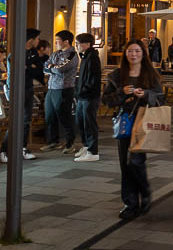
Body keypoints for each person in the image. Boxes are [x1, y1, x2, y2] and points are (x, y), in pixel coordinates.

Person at [102, 39, 164, 219]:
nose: (134, 55)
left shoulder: (150, 75)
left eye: (137, 51)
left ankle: (144, 193)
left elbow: (160, 98)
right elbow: (106, 100)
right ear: (125, 54)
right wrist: (123, 92)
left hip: (145, 121)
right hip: (124, 121)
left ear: (143, 54)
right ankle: (130, 203)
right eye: (130, 51)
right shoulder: (116, 75)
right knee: (125, 163)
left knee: (135, 161)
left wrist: (145, 94)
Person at [0, 28, 42, 163]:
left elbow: (38, 70)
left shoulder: (32, 53)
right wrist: (31, 68)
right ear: (30, 40)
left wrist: (30, 68)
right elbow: (20, 71)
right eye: (37, 39)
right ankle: (4, 150)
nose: (38, 41)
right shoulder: (15, 54)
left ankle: (22, 148)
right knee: (15, 120)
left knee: (26, 120)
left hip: (28, 88)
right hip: (16, 90)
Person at [41, 30, 79, 154]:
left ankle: (70, 143)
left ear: (66, 41)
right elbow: (45, 66)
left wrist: (52, 67)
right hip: (51, 88)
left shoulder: (72, 55)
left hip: (64, 89)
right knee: (50, 116)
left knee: (64, 117)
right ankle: (53, 142)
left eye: (58, 40)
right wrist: (52, 67)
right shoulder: (55, 54)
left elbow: (61, 69)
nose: (56, 42)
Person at [73, 33, 102, 162]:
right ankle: (86, 146)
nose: (76, 46)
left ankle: (92, 151)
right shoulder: (86, 56)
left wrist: (83, 91)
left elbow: (93, 80)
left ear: (87, 44)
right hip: (83, 96)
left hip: (89, 96)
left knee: (89, 123)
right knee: (81, 122)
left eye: (78, 43)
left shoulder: (93, 57)